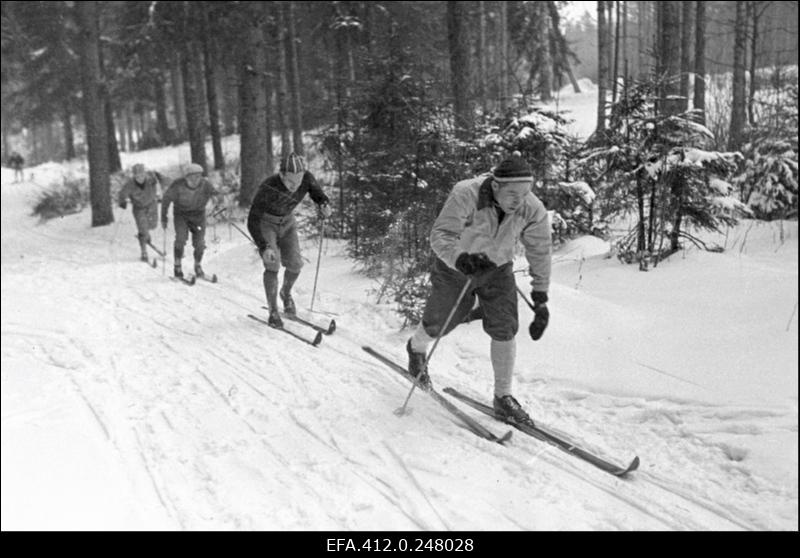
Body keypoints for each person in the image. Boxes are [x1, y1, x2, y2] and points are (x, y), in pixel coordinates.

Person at [405, 156, 552, 426]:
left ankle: (503, 398)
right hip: (456, 265)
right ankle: (416, 348)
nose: (519, 200)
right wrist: (460, 258)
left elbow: (540, 249)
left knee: (505, 326)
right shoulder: (466, 193)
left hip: (497, 267)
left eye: (525, 193)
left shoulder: (531, 207)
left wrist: (540, 297)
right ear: (495, 186)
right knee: (442, 322)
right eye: (512, 193)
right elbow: (441, 234)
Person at [247, 153, 331, 328]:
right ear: (282, 175)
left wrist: (324, 205)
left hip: (287, 222)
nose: (295, 186)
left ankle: (285, 293)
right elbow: (252, 220)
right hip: (266, 223)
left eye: (299, 181)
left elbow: (318, 194)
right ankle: (273, 310)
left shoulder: (306, 178)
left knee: (295, 264)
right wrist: (264, 247)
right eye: (291, 182)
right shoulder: (268, 187)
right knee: (273, 263)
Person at [160, 163, 219, 279]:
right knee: (181, 239)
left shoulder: (205, 184)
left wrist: (217, 199)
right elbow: (166, 200)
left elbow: (215, 194)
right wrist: (164, 217)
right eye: (193, 177)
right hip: (181, 215)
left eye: (198, 176)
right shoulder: (178, 185)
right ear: (186, 177)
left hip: (198, 216)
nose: (196, 179)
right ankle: (177, 266)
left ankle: (198, 266)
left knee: (200, 243)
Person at [118, 163, 168, 262]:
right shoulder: (130, 184)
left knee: (153, 225)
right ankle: (144, 251)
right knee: (143, 228)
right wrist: (122, 202)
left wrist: (161, 178)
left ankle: (146, 235)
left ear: (145, 174)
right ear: (134, 176)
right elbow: (122, 193)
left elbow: (165, 181)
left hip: (152, 206)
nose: (139, 178)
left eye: (141, 175)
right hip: (139, 208)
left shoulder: (151, 180)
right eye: (137, 176)